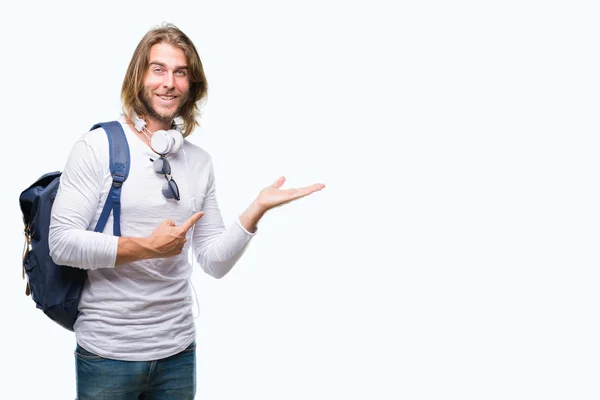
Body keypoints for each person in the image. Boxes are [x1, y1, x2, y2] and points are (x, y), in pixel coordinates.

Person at [48, 23, 325, 399]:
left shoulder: (199, 162)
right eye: (158, 69)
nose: (169, 82)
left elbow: (213, 262)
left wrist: (255, 210)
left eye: (180, 73)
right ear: (139, 77)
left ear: (191, 85)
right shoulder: (97, 147)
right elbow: (62, 244)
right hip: (108, 354)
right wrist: (147, 247)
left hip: (177, 353)